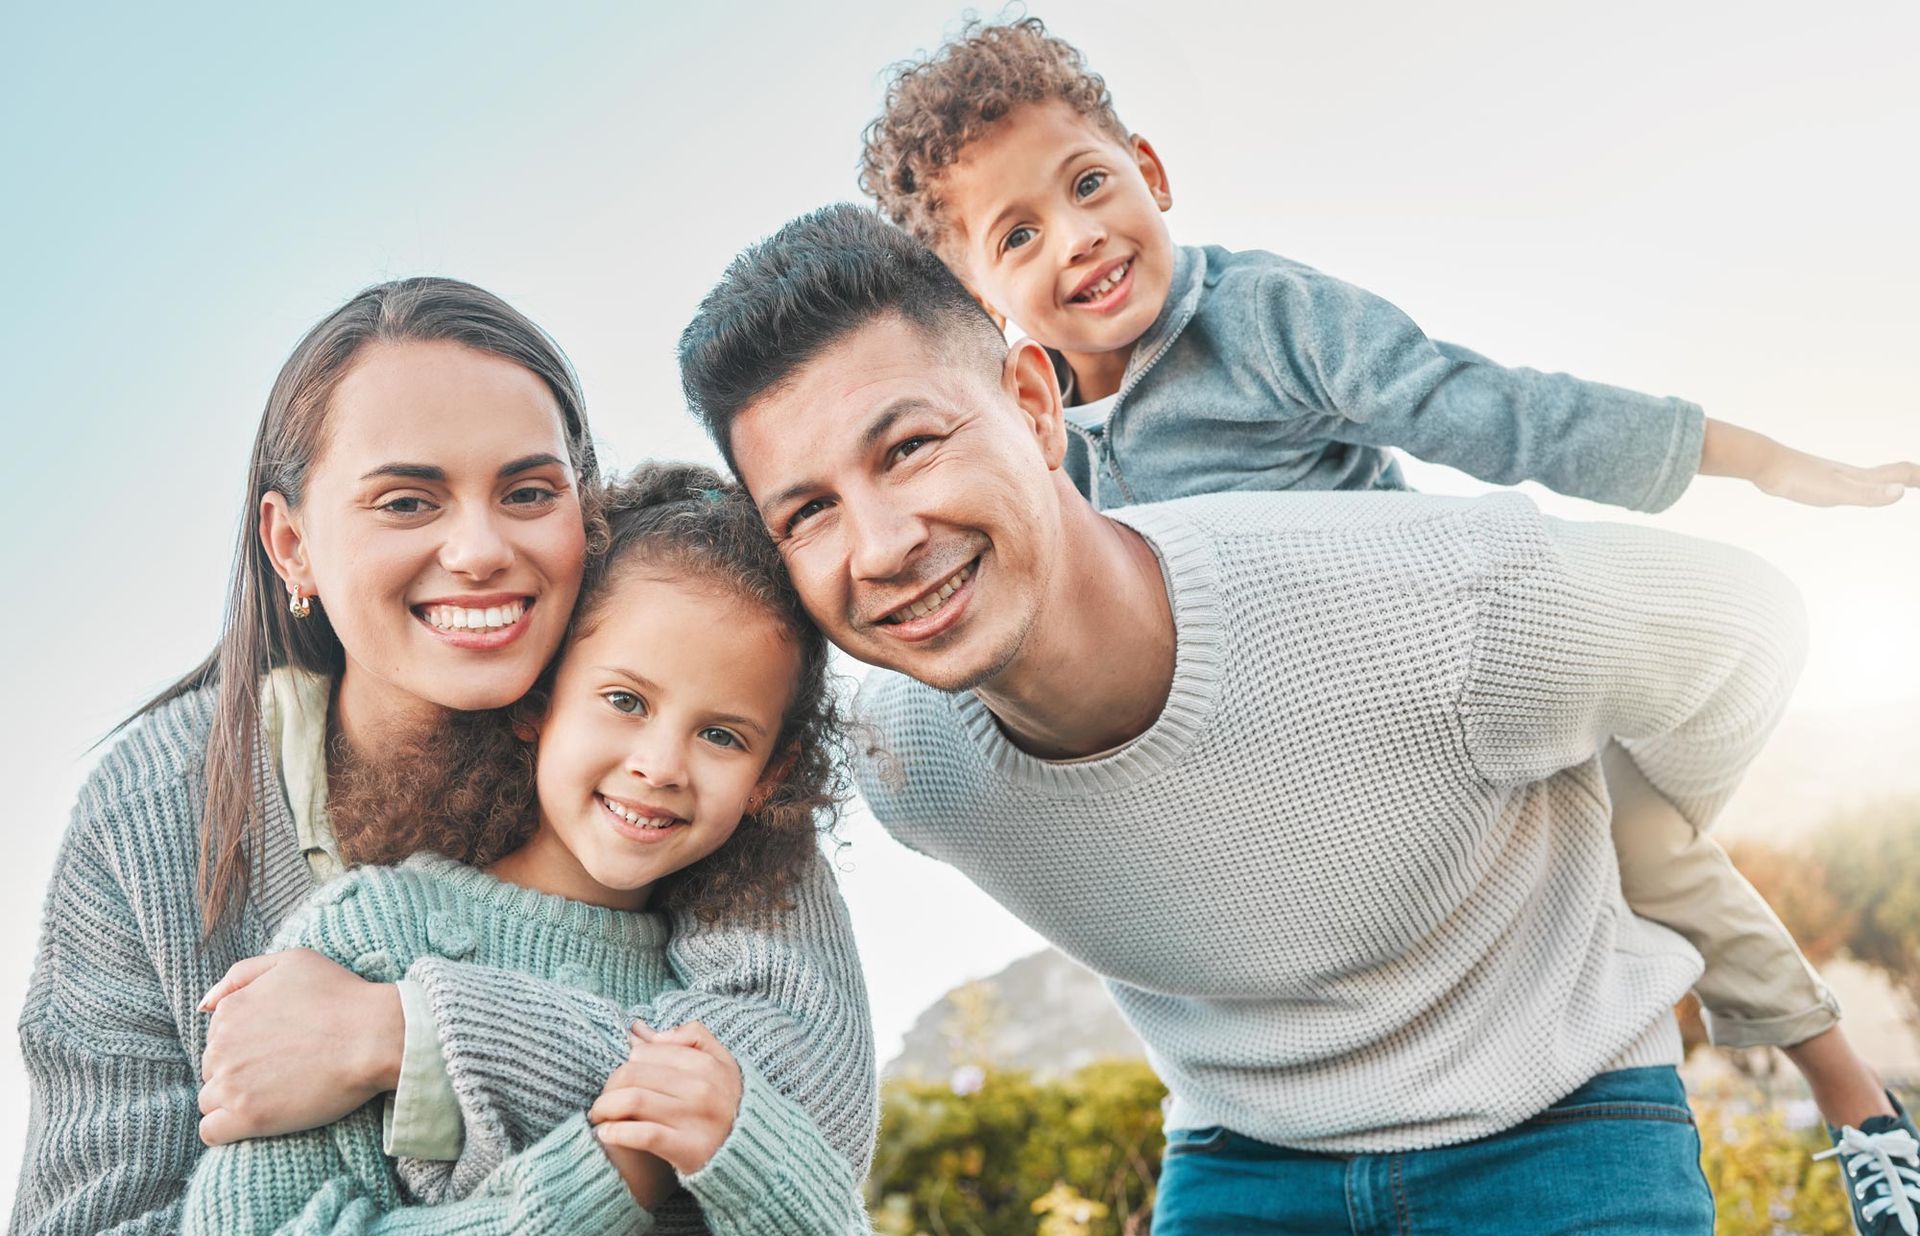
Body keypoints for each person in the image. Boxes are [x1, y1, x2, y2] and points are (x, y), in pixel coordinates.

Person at [852, 16, 1919, 1230]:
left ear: (1150, 171)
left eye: (1089, 184)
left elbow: (1498, 410)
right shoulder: (1038, 463)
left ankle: (1858, 1104)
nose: (1080, 236)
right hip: (1275, 780)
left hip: (1433, 697)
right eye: (1020, 235)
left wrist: (1756, 461)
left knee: (1640, 840)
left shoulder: (1267, 319)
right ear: (978, 303)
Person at [680, 202, 1817, 1232]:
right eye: (810, 512)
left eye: (912, 446)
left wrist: (1629, 864)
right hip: (1242, 1165)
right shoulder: (905, 766)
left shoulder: (1450, 603)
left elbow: (1745, 629)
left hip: (1562, 1119)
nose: (881, 547)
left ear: (1033, 407)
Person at [13, 280, 875, 1234]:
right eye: (408, 500)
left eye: (528, 492)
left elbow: (803, 1098)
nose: (478, 549)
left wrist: (412, 1033)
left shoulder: (695, 733)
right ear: (291, 544)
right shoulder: (154, 809)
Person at [181, 463, 868, 1233]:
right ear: (539, 699)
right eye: (624, 700)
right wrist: (603, 1180)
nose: (661, 765)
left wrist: (739, 1148)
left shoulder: (726, 994)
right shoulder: (370, 938)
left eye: (720, 735)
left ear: (767, 776)